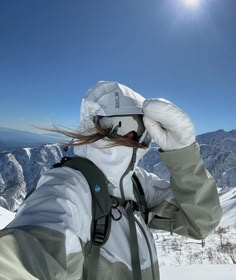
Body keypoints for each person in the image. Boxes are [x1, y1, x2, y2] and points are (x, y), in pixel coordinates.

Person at [0, 81, 222, 280]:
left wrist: (184, 155)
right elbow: (29, 254)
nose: (134, 138)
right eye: (123, 125)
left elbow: (200, 223)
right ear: (94, 124)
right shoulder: (69, 187)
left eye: (143, 129)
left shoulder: (139, 186)